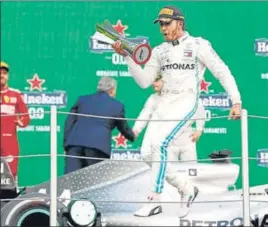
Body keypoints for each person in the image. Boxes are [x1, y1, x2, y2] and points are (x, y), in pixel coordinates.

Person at [112, 5, 242, 218]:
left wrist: (235, 100)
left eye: (167, 23)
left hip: (186, 100)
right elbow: (145, 82)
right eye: (160, 24)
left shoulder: (198, 45)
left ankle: (154, 199)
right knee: (147, 153)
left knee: (160, 145)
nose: (163, 28)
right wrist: (128, 57)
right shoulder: (159, 51)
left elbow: (222, 71)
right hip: (164, 103)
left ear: (179, 23)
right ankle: (187, 188)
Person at [63, 77, 136, 174]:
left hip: (74, 146)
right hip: (98, 149)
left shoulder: (82, 100)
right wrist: (132, 136)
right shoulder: (117, 105)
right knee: (94, 184)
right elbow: (123, 127)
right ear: (112, 90)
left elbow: (69, 123)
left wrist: (66, 144)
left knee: (70, 182)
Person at [133, 74, 206, 165]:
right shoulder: (153, 99)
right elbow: (145, 114)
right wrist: (136, 129)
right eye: (152, 80)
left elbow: (199, 108)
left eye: (157, 80)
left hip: (187, 142)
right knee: (171, 173)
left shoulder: (185, 95)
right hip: (169, 145)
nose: (153, 83)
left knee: (191, 174)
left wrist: (199, 129)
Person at [0, 61, 30, 181]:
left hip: (9, 139)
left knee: (11, 172)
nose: (2, 75)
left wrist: (20, 121)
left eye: (4, 73)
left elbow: (26, 117)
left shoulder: (15, 94)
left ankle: (11, 195)